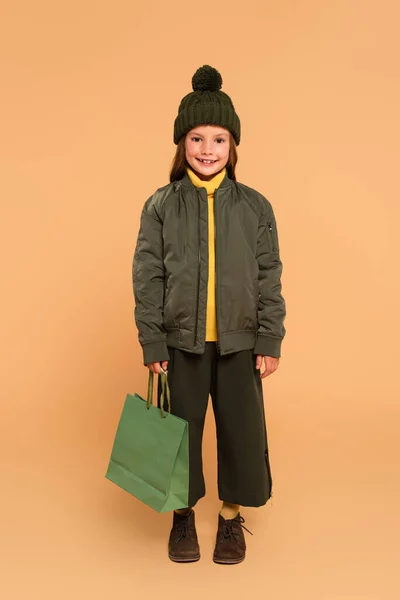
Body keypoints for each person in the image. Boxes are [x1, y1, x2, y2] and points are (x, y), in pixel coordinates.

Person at [132, 64, 286, 564]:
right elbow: (148, 276)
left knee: (242, 433)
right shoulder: (160, 206)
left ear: (232, 146)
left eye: (218, 139)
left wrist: (269, 338)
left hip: (240, 343)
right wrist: (153, 342)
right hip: (181, 343)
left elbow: (269, 275)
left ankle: (229, 518)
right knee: (181, 432)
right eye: (196, 138)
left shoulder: (255, 207)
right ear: (181, 145)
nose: (207, 149)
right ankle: (182, 520)